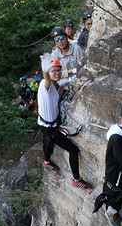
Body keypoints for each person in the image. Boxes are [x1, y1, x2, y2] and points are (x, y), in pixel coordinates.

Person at [38, 53, 92, 189]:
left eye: (58, 70)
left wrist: (65, 84)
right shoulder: (46, 86)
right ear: (47, 73)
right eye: (53, 71)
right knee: (73, 150)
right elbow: (47, 82)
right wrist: (45, 71)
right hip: (49, 127)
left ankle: (46, 161)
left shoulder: (55, 87)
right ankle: (76, 179)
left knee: (48, 140)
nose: (56, 73)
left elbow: (57, 96)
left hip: (49, 124)